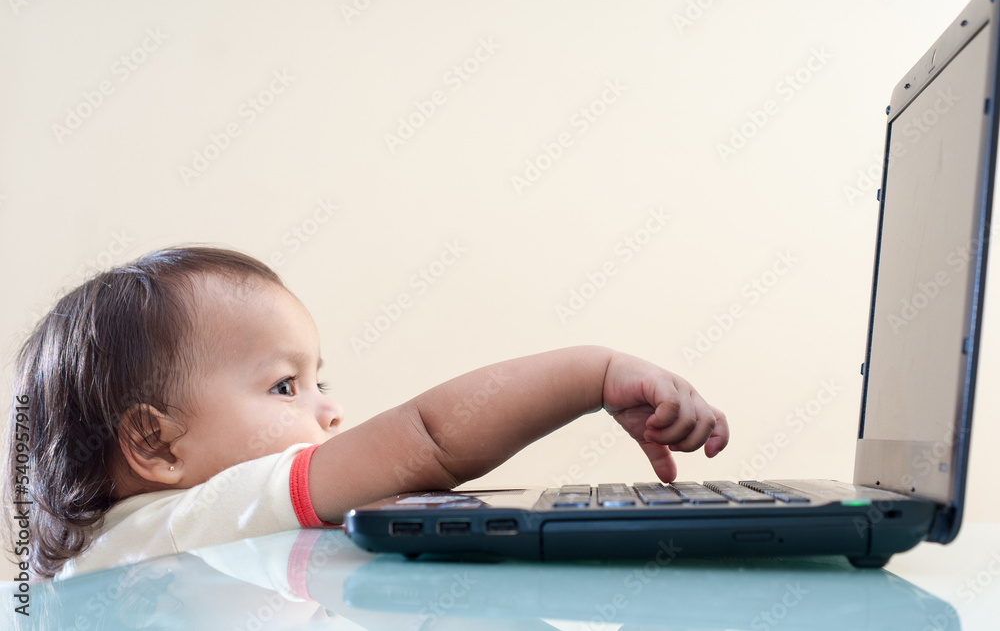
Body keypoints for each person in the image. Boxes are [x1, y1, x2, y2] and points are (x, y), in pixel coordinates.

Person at [4, 246, 728, 579]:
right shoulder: (199, 511)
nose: (331, 410)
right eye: (287, 386)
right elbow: (430, 439)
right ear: (157, 446)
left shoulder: (122, 552)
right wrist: (592, 372)